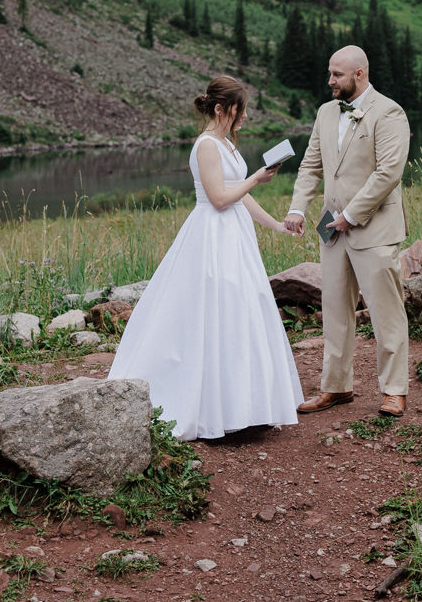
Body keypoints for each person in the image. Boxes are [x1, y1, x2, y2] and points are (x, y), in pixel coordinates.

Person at [109, 74, 302, 440]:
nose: (243, 117)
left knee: (243, 309)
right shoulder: (206, 146)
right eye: (239, 110)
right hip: (211, 235)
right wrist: (257, 178)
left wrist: (275, 225)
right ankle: (211, 407)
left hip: (236, 236)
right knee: (214, 310)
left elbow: (240, 196)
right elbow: (219, 198)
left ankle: (247, 406)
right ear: (220, 109)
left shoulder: (227, 144)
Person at [281, 45, 412, 417]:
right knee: (335, 309)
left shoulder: (389, 112)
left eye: (337, 74)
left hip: (373, 228)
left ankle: (394, 389)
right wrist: (298, 208)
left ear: (359, 74)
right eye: (329, 73)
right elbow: (311, 165)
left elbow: (389, 172)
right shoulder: (325, 112)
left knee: (385, 311)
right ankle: (336, 387)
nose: (330, 81)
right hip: (332, 230)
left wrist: (351, 215)